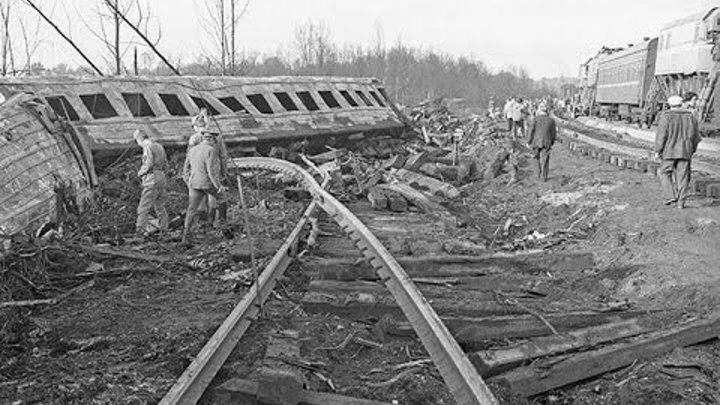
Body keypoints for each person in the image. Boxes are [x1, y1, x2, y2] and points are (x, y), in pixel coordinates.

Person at [655, 95, 701, 209]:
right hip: (685, 151)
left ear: (670, 105)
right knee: (683, 177)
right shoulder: (691, 117)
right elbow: (696, 136)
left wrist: (658, 151)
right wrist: (692, 149)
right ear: (681, 104)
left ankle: (671, 195)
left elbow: (661, 136)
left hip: (669, 151)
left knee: (664, 172)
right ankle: (681, 203)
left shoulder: (665, 116)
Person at [182, 132, 228, 246]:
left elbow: (185, 168)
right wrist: (219, 186)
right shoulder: (210, 150)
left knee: (191, 209)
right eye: (214, 140)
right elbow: (211, 172)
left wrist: (188, 181)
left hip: (194, 183)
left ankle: (186, 236)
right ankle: (224, 228)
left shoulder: (192, 150)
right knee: (222, 199)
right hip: (206, 183)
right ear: (212, 139)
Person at [134, 129, 169, 237]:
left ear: (139, 139)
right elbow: (166, 164)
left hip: (151, 178)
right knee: (160, 206)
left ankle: (140, 232)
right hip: (161, 177)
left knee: (143, 208)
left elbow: (148, 163)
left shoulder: (147, 147)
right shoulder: (159, 146)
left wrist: (140, 173)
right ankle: (164, 230)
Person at [526, 103, 557, 182]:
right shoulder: (551, 121)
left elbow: (531, 131)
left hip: (535, 141)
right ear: (547, 111)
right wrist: (552, 142)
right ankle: (544, 177)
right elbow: (553, 133)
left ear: (539, 111)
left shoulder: (535, 119)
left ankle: (537, 173)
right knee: (545, 159)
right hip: (547, 142)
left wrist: (528, 141)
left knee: (535, 157)